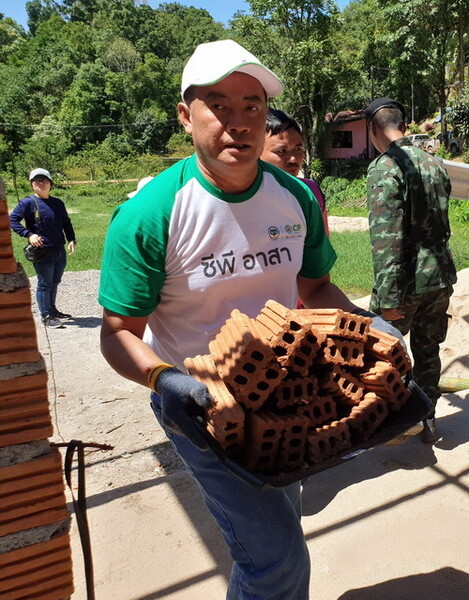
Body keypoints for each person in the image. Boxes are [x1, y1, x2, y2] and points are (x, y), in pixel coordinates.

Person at [99, 41, 401, 599]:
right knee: (276, 558)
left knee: (276, 526)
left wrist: (366, 323)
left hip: (286, 392)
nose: (239, 124)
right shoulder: (151, 214)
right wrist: (167, 381)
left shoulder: (294, 197)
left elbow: (314, 287)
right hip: (199, 408)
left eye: (253, 107)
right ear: (186, 116)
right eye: (220, 106)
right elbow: (118, 332)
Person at [365, 97, 457, 443]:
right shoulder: (434, 163)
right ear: (401, 125)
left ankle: (394, 420)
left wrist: (388, 299)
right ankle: (427, 418)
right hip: (440, 277)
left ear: (374, 129)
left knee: (378, 352)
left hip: (405, 286)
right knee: (428, 347)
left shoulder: (385, 167)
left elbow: (386, 240)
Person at [10, 168, 76, 329]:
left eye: (44, 180)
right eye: (36, 181)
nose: (41, 183)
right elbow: (12, 220)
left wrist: (71, 239)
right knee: (45, 283)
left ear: (50, 184)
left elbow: (66, 222)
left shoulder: (57, 203)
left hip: (59, 249)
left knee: (55, 281)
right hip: (42, 251)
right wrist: (28, 234)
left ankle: (52, 310)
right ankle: (46, 316)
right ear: (32, 185)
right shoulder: (27, 203)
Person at [261, 108, 330, 235]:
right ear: (256, 151)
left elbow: (322, 247)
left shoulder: (311, 192)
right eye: (281, 151)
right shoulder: (241, 197)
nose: (293, 159)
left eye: (298, 149)